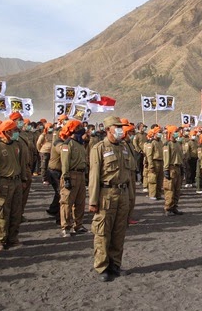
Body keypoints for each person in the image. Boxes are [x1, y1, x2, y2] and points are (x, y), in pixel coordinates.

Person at [88, 116, 132, 282]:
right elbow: (94, 176)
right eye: (117, 127)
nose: (121, 129)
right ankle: (102, 266)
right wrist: (93, 201)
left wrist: (131, 199)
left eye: (121, 127)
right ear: (108, 129)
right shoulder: (99, 148)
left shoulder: (124, 148)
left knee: (119, 232)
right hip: (106, 194)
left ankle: (115, 264)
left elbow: (130, 176)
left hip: (123, 194)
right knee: (103, 232)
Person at [0, 119, 28, 251]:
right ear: (7, 131)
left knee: (16, 212)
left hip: (16, 182)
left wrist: (23, 179)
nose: (17, 132)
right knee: (1, 213)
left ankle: (13, 238)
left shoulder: (17, 145)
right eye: (15, 130)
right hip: (3, 183)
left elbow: (21, 164)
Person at [55, 119, 88, 237]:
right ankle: (66, 227)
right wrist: (66, 178)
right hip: (71, 175)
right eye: (79, 127)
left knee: (80, 202)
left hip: (81, 175)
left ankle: (78, 225)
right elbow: (65, 163)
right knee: (66, 202)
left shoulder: (80, 144)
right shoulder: (67, 144)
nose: (82, 129)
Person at [163, 125, 183, 215]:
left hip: (178, 167)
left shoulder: (178, 144)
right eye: (175, 131)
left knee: (177, 189)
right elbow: (166, 157)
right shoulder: (168, 144)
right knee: (170, 189)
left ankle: (174, 206)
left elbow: (180, 156)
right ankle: (168, 208)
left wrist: (181, 166)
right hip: (171, 168)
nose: (177, 133)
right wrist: (166, 169)